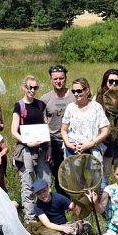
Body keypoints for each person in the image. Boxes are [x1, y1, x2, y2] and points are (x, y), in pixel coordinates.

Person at [11, 75, 52, 223]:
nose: (32, 90)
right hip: (26, 150)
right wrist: (27, 141)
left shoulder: (41, 105)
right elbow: (14, 131)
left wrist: (48, 148)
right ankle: (30, 218)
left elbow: (45, 127)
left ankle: (47, 213)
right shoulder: (19, 106)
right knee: (27, 183)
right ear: (24, 87)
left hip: (41, 149)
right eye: (30, 87)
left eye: (35, 88)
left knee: (45, 181)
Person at [40, 65, 74, 196]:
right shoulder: (45, 99)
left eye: (61, 78)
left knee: (73, 171)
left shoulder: (74, 95)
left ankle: (76, 198)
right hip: (53, 140)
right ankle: (63, 200)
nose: (58, 81)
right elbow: (42, 122)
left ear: (65, 78)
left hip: (72, 141)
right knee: (57, 171)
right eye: (55, 79)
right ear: (51, 80)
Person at [61, 78, 110, 163]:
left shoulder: (96, 107)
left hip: (91, 149)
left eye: (79, 91)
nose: (76, 94)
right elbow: (63, 129)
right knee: (74, 176)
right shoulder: (70, 107)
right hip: (72, 150)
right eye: (74, 91)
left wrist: (91, 144)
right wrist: (68, 144)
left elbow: (105, 131)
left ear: (87, 90)